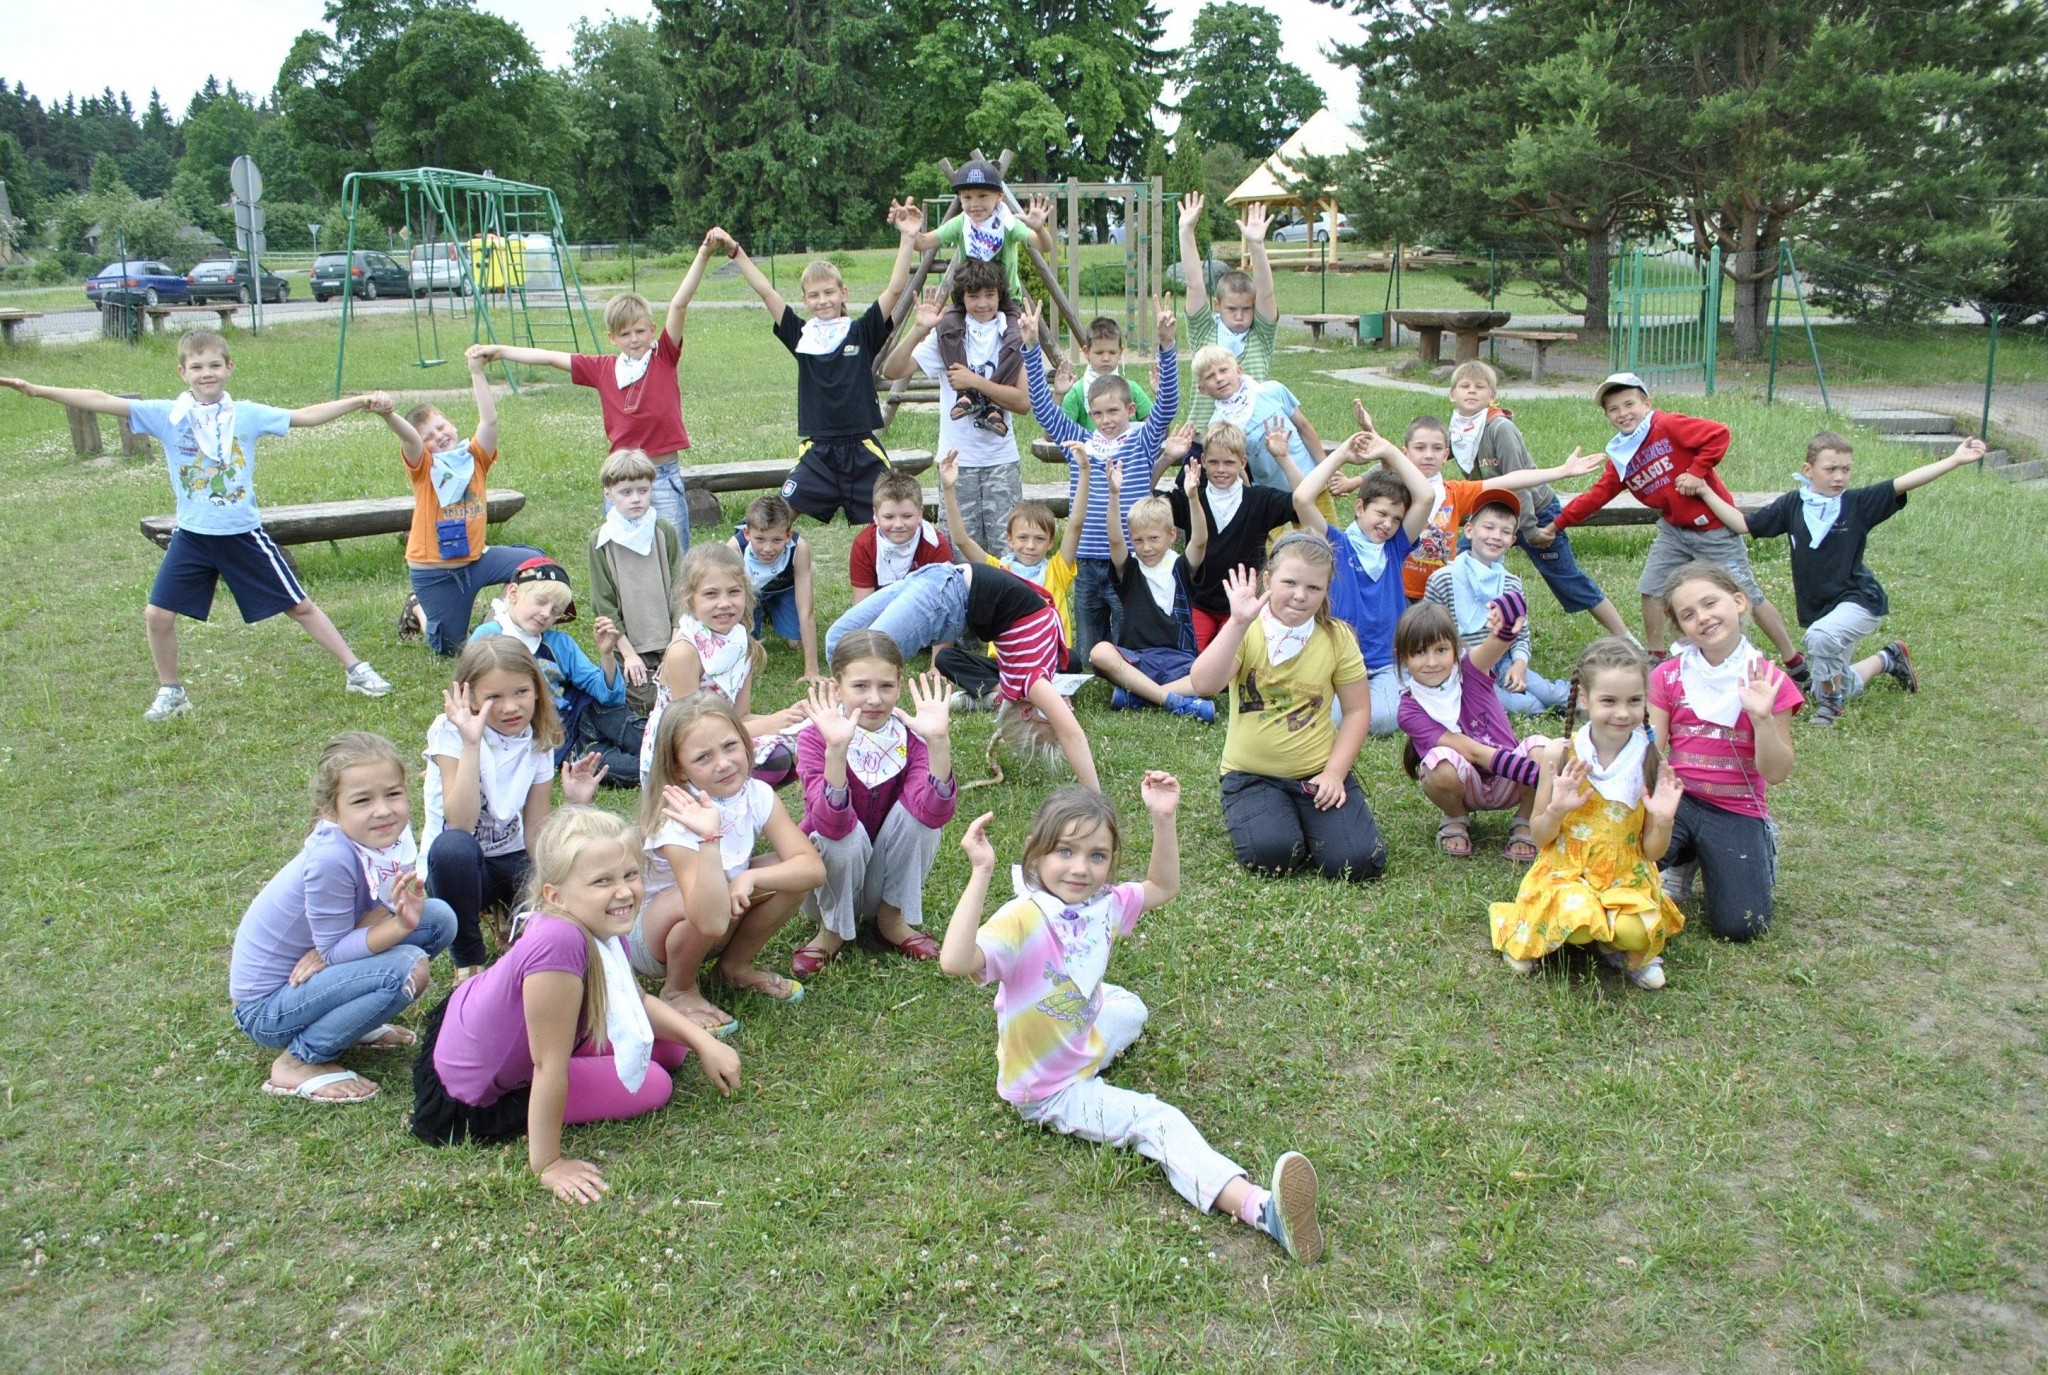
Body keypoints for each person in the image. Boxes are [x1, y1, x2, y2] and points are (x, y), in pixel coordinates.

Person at [937, 781, 1325, 1264]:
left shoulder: (1104, 904)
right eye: (1065, 851)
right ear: (1035, 855)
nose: (1081, 867)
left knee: (1131, 1008)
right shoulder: (1021, 918)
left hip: (1086, 1032)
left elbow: (1163, 886)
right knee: (1156, 1120)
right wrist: (981, 872)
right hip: (1050, 1085)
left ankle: (1094, 1014)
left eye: (1097, 856)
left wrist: (1163, 819)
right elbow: (955, 962)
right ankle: (1261, 1209)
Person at [2, 332, 393, 720]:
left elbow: (306, 416)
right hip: (192, 536)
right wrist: (36, 389)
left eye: (214, 365)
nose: (206, 373)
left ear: (229, 367)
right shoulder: (168, 415)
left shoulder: (247, 414)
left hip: (242, 534)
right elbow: (101, 400)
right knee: (157, 615)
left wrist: (359, 401)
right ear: (182, 372)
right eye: (197, 366)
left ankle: (355, 670)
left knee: (298, 606)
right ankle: (172, 692)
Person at [409, 806, 742, 1205]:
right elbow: (548, 1063)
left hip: (497, 1022)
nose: (623, 892)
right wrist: (548, 1164)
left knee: (673, 1046)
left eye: (629, 875)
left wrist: (706, 1043)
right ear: (555, 894)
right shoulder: (559, 942)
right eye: (602, 881)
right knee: (654, 1083)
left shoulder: (599, 917)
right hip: (475, 1089)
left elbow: (635, 1001)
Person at [1680, 432, 1985, 725]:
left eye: (1846, 469)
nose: (1839, 476)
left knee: (1820, 641)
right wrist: (1705, 490)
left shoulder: (1856, 503)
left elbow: (1904, 482)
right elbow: (1743, 524)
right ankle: (1889, 658)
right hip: (1822, 609)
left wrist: (1955, 460)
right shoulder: (1793, 504)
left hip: (1860, 601)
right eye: (1830, 469)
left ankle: (1832, 706)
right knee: (1826, 682)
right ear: (1808, 469)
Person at [230, 733, 458, 1103]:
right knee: (405, 969)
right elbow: (336, 949)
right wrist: (396, 926)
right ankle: (298, 1061)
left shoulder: (391, 836)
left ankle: (350, 1021)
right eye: (362, 800)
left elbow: (376, 905)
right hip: (267, 1009)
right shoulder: (331, 857)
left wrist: (337, 948)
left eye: (393, 794)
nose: (383, 810)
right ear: (330, 810)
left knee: (439, 918)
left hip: (315, 974)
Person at [1535, 373, 1805, 676]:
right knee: (1651, 588)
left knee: (1747, 595)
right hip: (1674, 530)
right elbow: (1597, 496)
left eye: (1629, 404)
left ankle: (1794, 660)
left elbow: (1718, 434)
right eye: (1614, 409)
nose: (1623, 413)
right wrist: (1557, 524)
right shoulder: (1623, 455)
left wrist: (1697, 471)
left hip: (1714, 528)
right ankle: (1657, 658)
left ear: (1647, 403)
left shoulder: (1666, 426)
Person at [473, 230, 723, 535]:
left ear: (652, 329)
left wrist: (704, 254)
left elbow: (679, 305)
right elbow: (552, 358)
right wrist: (501, 351)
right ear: (612, 337)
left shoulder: (664, 356)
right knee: (622, 551)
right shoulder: (604, 368)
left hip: (663, 473)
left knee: (675, 555)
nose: (634, 339)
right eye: (625, 334)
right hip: (623, 478)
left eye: (640, 331)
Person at [1489, 639, 1688, 988]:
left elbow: (1653, 852)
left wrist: (1663, 819)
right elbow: (1539, 835)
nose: (1623, 713)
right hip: (1568, 870)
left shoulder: (1649, 758)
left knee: (1635, 930)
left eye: (1634, 701)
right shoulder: (1561, 753)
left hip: (1625, 875)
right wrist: (1556, 809)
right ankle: (1547, 935)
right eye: (1609, 701)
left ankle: (1615, 942)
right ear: (1584, 699)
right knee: (1578, 919)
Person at [1187, 544, 1389, 881]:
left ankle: (1311, 821)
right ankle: (1280, 820)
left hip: (1317, 773)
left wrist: (1334, 775)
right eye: (1290, 583)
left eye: (1314, 588)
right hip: (1250, 774)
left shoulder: (1337, 637)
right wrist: (1237, 622)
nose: (1300, 596)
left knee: (1357, 863)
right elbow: (1203, 683)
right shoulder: (1247, 629)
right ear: (1267, 579)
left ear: (1326, 591)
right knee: (1276, 856)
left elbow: (1356, 712)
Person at [631, 695, 826, 1034]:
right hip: (653, 940)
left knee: (788, 869)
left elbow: (812, 869)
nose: (723, 763)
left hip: (719, 914)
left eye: (730, 746)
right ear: (679, 768)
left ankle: (733, 968)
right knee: (714, 891)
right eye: (703, 757)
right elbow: (707, 915)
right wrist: (713, 846)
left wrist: (750, 877)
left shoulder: (757, 794)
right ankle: (679, 990)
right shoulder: (677, 815)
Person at [420, 637, 609, 983]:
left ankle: (514, 919)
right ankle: (469, 960)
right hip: (457, 870)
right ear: (471, 697)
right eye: (494, 697)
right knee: (453, 849)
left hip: (510, 859)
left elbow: (535, 834)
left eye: (521, 692)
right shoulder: (450, 733)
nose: (510, 707)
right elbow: (459, 823)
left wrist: (572, 805)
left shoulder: (537, 737)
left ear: (538, 689)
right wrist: (471, 742)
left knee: (561, 883)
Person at [722, 207, 924, 526]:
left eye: (829, 292)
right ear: (805, 300)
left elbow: (895, 289)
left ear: (843, 293)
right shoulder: (802, 336)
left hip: (862, 447)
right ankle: (734, 568)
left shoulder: (861, 330)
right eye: (814, 295)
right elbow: (766, 291)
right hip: (817, 452)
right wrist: (736, 251)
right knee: (774, 520)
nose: (823, 300)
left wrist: (908, 237)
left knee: (894, 519)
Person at [825, 560, 1097, 791]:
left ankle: (847, 743)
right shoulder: (1042, 670)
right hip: (941, 577)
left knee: (868, 661)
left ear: (1028, 712)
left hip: (944, 598)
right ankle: (840, 727)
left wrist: (1093, 795)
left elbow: (1071, 735)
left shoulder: (1030, 683)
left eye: (1054, 717)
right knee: (836, 642)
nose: (1067, 709)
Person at [1022, 295, 1181, 667]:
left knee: (1129, 643)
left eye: (1114, 411)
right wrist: (1031, 349)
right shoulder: (1082, 442)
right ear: (1089, 414)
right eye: (1097, 413)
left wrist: (1167, 345)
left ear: (1129, 409)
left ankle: (1132, 678)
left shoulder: (1143, 438)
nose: (1106, 419)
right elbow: (1044, 409)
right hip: (1086, 561)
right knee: (1091, 649)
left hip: (1127, 559)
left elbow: (1168, 404)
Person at [1649, 563, 1801, 942]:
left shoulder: (1770, 680)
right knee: (1622, 870)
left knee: (1743, 925)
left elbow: (1777, 771)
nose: (1702, 618)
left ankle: (1747, 847)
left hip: (1736, 808)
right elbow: (1652, 750)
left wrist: (1762, 719)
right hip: (1679, 800)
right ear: (1680, 627)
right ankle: (1681, 856)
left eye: (1710, 603)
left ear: (1738, 602)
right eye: (1688, 614)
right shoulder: (1667, 675)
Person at [789, 637, 959, 976]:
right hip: (829, 878)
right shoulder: (814, 737)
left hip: (885, 877)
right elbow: (830, 826)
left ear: (899, 685)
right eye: (860, 686)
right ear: (837, 687)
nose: (874, 699)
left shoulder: (911, 736)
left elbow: (933, 813)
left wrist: (938, 741)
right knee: (843, 837)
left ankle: (891, 917)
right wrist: (836, 750)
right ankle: (832, 929)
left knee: (922, 821)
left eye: (885, 686)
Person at [378, 343, 546, 655]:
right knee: (451, 648)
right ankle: (418, 608)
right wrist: (389, 415)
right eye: (429, 436)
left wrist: (476, 371)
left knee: (536, 563)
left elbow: (490, 422)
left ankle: (497, 619)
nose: (438, 436)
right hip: (435, 572)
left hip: (476, 560)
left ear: (452, 425)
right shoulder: (425, 467)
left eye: (441, 426)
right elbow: (409, 438)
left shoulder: (474, 457)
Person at [1445, 361, 1631, 641]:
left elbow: (1520, 481)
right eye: (1465, 386)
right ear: (1452, 395)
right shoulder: (1459, 432)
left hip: (1535, 513)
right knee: (1458, 564)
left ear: (1492, 395)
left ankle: (1627, 638)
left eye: (1480, 386)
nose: (1472, 391)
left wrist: (1530, 531)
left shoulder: (1499, 428)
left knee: (1567, 579)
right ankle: (1467, 635)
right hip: (1494, 516)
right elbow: (1425, 457)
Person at [1291, 407, 1436, 735]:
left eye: (1396, 519)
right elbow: (1302, 498)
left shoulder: (1396, 547)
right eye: (1381, 514)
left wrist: (1386, 449)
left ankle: (1374, 704)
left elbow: (1425, 496)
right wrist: (1341, 453)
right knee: (1334, 719)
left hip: (1386, 663)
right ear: (1359, 507)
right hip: (1338, 663)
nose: (1387, 524)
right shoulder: (1335, 542)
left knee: (1384, 721)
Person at [881, 266, 1027, 552]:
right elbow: (892, 370)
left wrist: (975, 382)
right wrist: (919, 329)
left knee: (1007, 552)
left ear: (1001, 296)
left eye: (990, 295)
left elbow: (1023, 403)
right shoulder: (948, 335)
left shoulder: (1012, 334)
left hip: (1001, 461)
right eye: (973, 296)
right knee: (959, 552)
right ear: (962, 299)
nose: (982, 303)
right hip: (955, 463)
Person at [641, 544, 809, 789]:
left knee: (806, 740)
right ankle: (720, 808)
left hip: (723, 739)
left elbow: (741, 716)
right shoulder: (684, 652)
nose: (724, 603)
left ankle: (736, 808)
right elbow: (690, 732)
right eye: (711, 594)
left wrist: (791, 720)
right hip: (684, 756)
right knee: (777, 760)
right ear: (689, 596)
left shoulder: (741, 641)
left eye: (733, 592)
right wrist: (769, 724)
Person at [1394, 596, 1549, 860]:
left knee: (1544, 749)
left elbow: (1499, 641)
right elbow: (1472, 752)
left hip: (1510, 782)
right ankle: (1455, 817)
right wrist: (1535, 775)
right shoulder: (1409, 709)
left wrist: (1508, 615)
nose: (1432, 662)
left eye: (1440, 650)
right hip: (1468, 784)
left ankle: (1526, 820)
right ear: (1403, 658)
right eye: (1420, 652)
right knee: (1439, 765)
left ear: (1455, 650)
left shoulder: (1471, 671)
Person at [934, 448, 1084, 709]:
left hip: (1047, 662)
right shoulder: (998, 570)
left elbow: (1075, 525)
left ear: (1050, 542)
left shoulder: (1057, 570)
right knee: (946, 658)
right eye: (1023, 538)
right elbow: (961, 540)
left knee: (1073, 660)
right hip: (1006, 665)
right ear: (1009, 540)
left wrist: (1084, 472)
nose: (1030, 545)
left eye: (1039, 539)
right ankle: (1011, 692)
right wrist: (949, 488)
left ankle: (995, 697)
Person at [1400, 415, 1604, 603]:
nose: (1428, 455)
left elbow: (1510, 479)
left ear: (1446, 455)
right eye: (1420, 448)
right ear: (1405, 453)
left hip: (1441, 593)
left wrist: (1561, 471)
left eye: (1436, 448)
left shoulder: (1455, 492)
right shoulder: (1393, 488)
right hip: (1398, 591)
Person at [473, 558, 628, 771]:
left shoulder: (559, 643)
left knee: (634, 731)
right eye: (540, 601)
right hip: (553, 745)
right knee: (630, 767)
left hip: (585, 717)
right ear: (513, 594)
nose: (546, 613)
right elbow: (467, 696)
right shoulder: (488, 637)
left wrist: (607, 654)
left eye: (555, 611)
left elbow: (610, 696)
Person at [1087, 462, 1213, 722]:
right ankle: (1173, 700)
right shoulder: (1130, 569)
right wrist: (1113, 494)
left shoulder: (1180, 566)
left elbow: (1200, 540)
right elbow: (1114, 540)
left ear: (1172, 535)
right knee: (1099, 652)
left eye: (1153, 539)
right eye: (1139, 540)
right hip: (1137, 662)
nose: (1146, 548)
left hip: (1181, 663)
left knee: (1216, 672)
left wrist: (1192, 497)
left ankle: (1140, 696)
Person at [1422, 496, 1571, 714]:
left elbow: (1522, 633)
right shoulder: (1442, 578)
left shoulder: (1511, 583)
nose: (1495, 536)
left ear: (1512, 540)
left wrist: (1519, 665)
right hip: (1462, 669)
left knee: (1554, 695)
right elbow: (1427, 632)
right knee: (1527, 706)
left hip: (1504, 660)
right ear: (1470, 530)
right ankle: (1533, 704)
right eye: (1489, 527)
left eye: (1505, 531)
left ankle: (1593, 695)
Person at [1166, 419, 1303, 650]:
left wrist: (1283, 458)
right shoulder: (1190, 497)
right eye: (1214, 462)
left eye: (1229, 463)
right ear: (1203, 462)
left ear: (1242, 462)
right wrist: (1166, 459)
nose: (1220, 470)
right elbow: (1143, 500)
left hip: (1244, 605)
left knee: (1234, 657)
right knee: (1189, 656)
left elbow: (1303, 501)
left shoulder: (1260, 500)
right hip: (1198, 603)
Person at [587, 448, 685, 717]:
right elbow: (603, 603)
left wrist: (674, 648)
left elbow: (681, 590)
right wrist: (628, 654)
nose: (636, 499)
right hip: (629, 644)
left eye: (643, 490)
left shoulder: (664, 531)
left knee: (683, 700)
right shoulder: (601, 540)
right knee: (645, 704)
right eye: (626, 492)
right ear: (609, 493)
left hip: (670, 640)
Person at [1175, 192, 1278, 430]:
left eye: (1247, 309)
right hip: (1203, 436)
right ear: (1217, 305)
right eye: (1232, 309)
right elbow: (1194, 282)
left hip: (1250, 439)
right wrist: (1186, 232)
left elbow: (1266, 293)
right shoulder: (1204, 331)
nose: (1240, 316)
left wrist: (1256, 245)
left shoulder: (1260, 336)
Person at [1186, 345, 1325, 496]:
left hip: (1312, 482)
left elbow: (1304, 427)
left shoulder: (1272, 391)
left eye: (1223, 370)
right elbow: (1235, 465)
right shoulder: (1218, 424)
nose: (1219, 378)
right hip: (1271, 496)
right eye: (1210, 376)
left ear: (1239, 371)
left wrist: (1325, 468)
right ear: (1203, 389)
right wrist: (1249, 495)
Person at [911, 159, 1055, 300]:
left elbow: (1044, 246)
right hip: (970, 298)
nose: (974, 204)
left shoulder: (1008, 223)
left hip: (1006, 301)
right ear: (960, 199)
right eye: (967, 197)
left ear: (999, 196)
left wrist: (1039, 229)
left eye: (982, 196)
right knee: (948, 323)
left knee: (1013, 324)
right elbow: (921, 243)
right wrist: (910, 230)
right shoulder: (961, 223)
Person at [732, 494, 821, 683]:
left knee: (795, 642)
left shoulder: (799, 548)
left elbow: (807, 611)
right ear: (747, 533)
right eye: (760, 539)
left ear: (788, 535)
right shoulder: (734, 549)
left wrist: (812, 670)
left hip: (784, 588)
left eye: (777, 540)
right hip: (750, 593)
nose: (768, 548)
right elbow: (730, 601)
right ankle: (761, 612)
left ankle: (775, 611)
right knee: (749, 645)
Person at [850, 469, 955, 603]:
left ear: (920, 513)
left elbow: (945, 602)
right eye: (889, 517)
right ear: (875, 515)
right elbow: (862, 608)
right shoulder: (864, 546)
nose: (898, 524)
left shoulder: (935, 545)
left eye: (907, 516)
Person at [1054, 316, 1154, 427]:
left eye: (1112, 352)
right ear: (1087, 352)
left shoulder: (1132, 389)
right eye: (1099, 352)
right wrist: (1058, 395)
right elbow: (1052, 435)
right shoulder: (1077, 393)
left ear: (1120, 352)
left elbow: (1159, 431)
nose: (1106, 358)